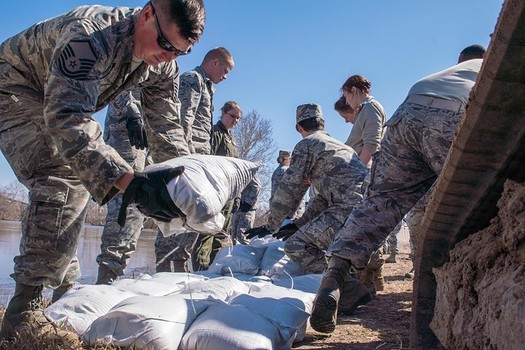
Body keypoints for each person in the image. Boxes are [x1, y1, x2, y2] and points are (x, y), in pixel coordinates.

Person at [0, 0, 205, 340]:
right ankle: (22, 315)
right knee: (61, 176)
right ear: (147, 15)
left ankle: (64, 298)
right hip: (14, 88)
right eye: (166, 44)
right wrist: (131, 183)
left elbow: (167, 127)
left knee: (73, 180)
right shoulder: (91, 36)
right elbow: (67, 118)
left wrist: (184, 180)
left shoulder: (163, 64)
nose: (169, 57)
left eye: (180, 53)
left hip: (57, 102)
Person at [310, 45, 486, 334]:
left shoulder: (447, 72)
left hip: (407, 114)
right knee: (486, 199)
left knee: (378, 204)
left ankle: (333, 278)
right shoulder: (490, 66)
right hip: (453, 113)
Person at [246, 104, 373, 315]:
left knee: (296, 246)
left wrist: (271, 224)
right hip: (366, 210)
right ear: (322, 124)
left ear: (298, 127)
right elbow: (323, 199)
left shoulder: (307, 145)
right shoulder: (338, 146)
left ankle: (348, 290)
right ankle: (352, 286)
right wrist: (298, 224)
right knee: (311, 240)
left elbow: (289, 188)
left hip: (349, 209)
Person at [155, 47, 234, 272]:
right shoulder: (193, 80)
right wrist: (186, 158)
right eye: (226, 70)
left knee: (192, 215)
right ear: (214, 63)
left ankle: (180, 264)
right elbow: (183, 118)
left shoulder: (208, 87)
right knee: (176, 212)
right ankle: (163, 266)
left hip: (199, 158)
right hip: (187, 159)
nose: (226, 76)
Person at [334, 76, 388, 292]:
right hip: (362, 174)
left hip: (362, 176)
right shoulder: (366, 110)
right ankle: (372, 277)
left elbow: (372, 144)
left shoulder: (370, 108)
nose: (346, 101)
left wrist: (355, 174)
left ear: (353, 90)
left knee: (360, 229)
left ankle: (367, 280)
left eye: (346, 95)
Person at [270, 150, 306, 221]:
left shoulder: (276, 171)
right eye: (290, 159)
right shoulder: (287, 171)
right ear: (285, 159)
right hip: (287, 210)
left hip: (276, 208)